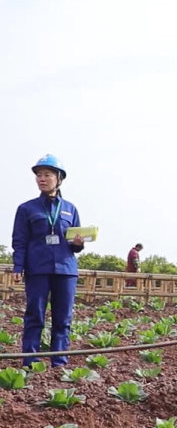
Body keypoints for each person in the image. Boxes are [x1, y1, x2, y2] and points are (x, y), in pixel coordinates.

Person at [11, 154, 85, 367]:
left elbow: (74, 244)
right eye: (39, 175)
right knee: (35, 315)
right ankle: (29, 360)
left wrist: (79, 243)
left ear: (59, 178)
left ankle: (59, 363)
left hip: (66, 270)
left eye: (47, 175)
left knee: (63, 319)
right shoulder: (26, 209)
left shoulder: (70, 209)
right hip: (38, 269)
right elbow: (20, 240)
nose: (42, 179)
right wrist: (18, 265)